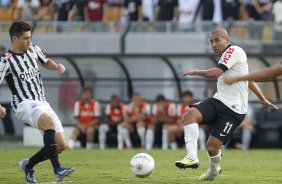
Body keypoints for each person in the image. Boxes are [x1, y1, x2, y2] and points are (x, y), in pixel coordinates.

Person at [174, 28, 277, 181]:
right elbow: (248, 78)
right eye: (211, 42)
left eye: (217, 40)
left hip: (233, 110)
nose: (213, 44)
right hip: (219, 100)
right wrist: (262, 99)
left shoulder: (233, 50)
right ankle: (191, 157)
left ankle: (213, 171)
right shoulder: (228, 56)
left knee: (212, 147)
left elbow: (215, 73)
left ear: (227, 40)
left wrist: (196, 71)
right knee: (190, 114)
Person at [0, 21, 74, 183]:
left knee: (61, 145)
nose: (29, 40)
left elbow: (45, 60)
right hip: (23, 103)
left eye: (30, 37)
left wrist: (56, 66)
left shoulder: (33, 48)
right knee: (48, 123)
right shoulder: (6, 61)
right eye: (26, 38)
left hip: (42, 102)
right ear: (14, 38)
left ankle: (28, 165)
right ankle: (58, 170)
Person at [0, 46, 15, 137]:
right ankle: (7, 133)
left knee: (7, 117)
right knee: (4, 118)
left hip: (7, 99)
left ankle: (10, 133)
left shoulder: (7, 64)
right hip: (1, 99)